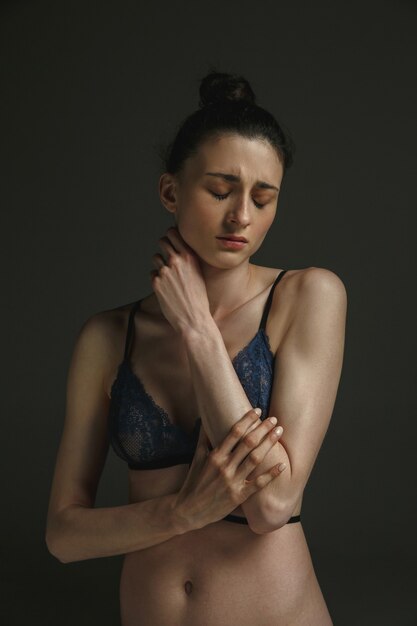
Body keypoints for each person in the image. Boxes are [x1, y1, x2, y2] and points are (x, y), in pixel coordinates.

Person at [46, 70, 347, 626]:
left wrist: (198, 330)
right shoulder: (108, 336)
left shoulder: (307, 297)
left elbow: (271, 506)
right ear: (170, 192)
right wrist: (183, 512)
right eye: (219, 190)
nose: (242, 217)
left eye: (264, 199)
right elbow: (64, 536)